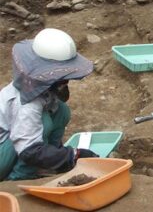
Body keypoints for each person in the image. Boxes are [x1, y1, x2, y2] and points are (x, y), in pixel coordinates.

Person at [0, 28, 99, 181]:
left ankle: (48, 163)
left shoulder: (39, 87)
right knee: (44, 123)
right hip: (7, 153)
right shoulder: (26, 103)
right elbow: (29, 150)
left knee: (62, 110)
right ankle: (20, 177)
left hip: (16, 145)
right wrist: (73, 155)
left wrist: (61, 156)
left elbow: (59, 102)